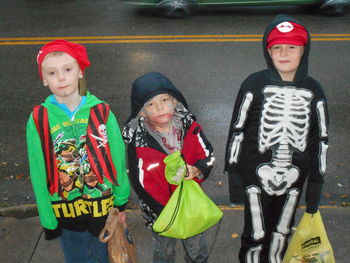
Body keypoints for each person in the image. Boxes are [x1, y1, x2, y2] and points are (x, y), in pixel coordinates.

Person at [224, 15, 329, 262]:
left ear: (304, 51)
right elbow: (237, 129)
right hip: (255, 178)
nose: (284, 53)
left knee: (282, 232)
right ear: (267, 51)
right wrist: (235, 177)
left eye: (292, 47)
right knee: (254, 234)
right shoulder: (254, 84)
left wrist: (315, 188)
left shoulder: (314, 91)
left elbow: (321, 140)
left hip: (294, 179)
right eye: (276, 48)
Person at [26, 40, 130, 263]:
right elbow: (38, 170)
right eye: (52, 73)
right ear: (44, 79)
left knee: (103, 257)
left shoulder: (101, 111)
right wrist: (48, 218)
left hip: (101, 207)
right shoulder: (39, 119)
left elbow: (118, 159)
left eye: (67, 69)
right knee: (76, 258)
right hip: (65, 210)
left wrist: (121, 201)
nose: (61, 78)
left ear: (80, 72)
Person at [123, 72, 215, 263]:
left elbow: (207, 154)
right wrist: (162, 209)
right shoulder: (139, 140)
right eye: (150, 104)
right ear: (142, 111)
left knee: (196, 245)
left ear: (174, 101)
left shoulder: (188, 126)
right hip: (160, 211)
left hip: (190, 204)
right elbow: (139, 180)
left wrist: (198, 169)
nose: (159, 107)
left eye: (164, 99)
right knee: (165, 248)